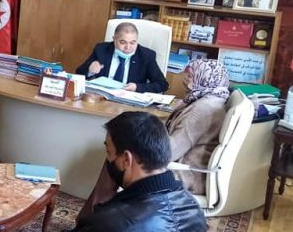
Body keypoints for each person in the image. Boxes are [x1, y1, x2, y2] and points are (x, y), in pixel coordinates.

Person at [31, 112, 207, 232]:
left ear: (126, 160)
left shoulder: (107, 225)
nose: (108, 160)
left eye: (109, 153)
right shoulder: (192, 208)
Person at [77, 59, 230, 219]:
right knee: (119, 154)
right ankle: (95, 216)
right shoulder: (211, 100)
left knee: (116, 159)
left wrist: (137, 145)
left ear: (204, 79)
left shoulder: (202, 110)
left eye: (191, 76)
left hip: (185, 175)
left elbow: (168, 152)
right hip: (187, 168)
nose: (186, 79)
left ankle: (89, 219)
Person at [75, 22, 169, 93]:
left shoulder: (146, 56)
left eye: (132, 43)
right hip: (101, 97)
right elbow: (79, 73)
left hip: (128, 101)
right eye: (123, 42)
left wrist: (137, 87)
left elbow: (162, 84)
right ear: (114, 39)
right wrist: (89, 70)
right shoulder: (101, 49)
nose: (128, 47)